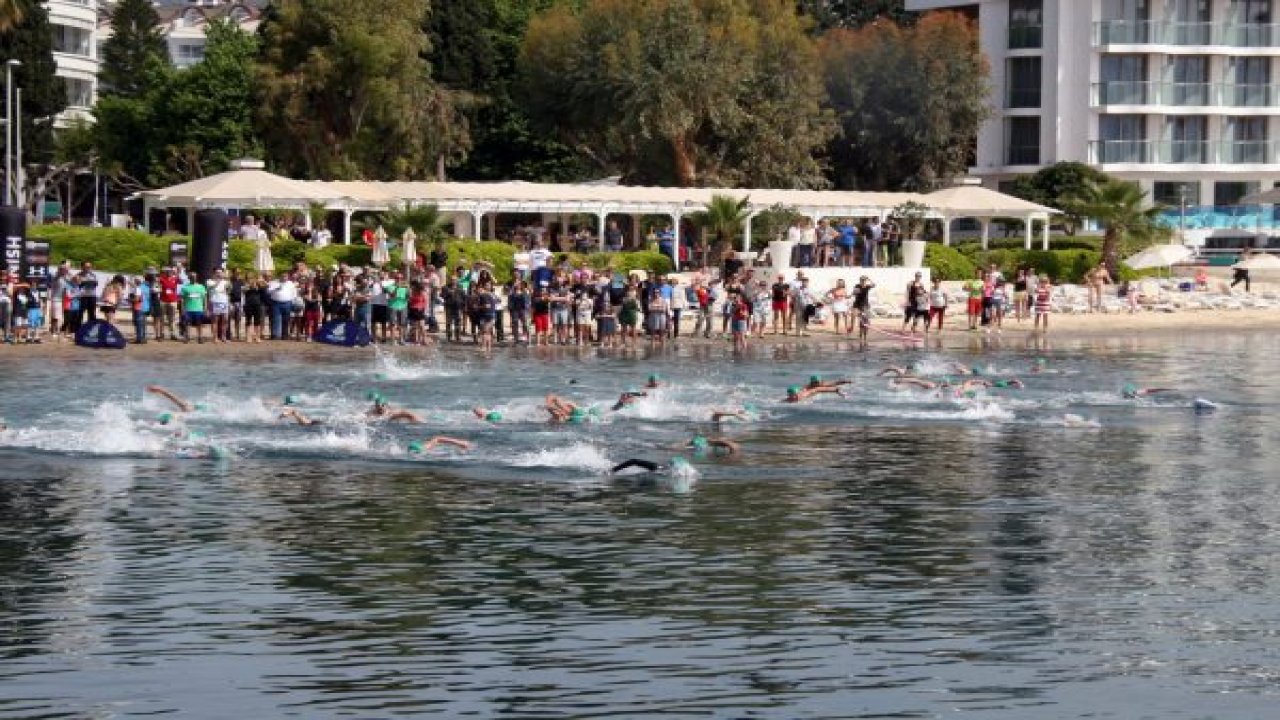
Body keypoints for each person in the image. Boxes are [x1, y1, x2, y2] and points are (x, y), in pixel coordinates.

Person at [179, 271, 209, 344]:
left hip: (199, 309)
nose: (193, 278)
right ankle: (187, 337)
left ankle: (200, 337)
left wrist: (205, 308)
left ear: (196, 278)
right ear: (189, 278)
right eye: (191, 276)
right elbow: (182, 299)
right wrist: (182, 309)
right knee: (187, 323)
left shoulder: (201, 287)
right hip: (188, 309)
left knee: (199, 324)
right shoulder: (185, 287)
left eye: (194, 276)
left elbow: (204, 298)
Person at [407, 436, 473, 454]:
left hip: (415, 448)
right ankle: (461, 443)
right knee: (437, 438)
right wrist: (459, 443)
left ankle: (461, 443)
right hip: (419, 448)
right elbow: (438, 439)